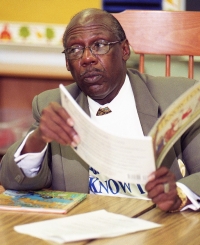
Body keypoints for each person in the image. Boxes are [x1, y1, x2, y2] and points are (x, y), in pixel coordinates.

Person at [1, 8, 200, 213]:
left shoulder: (178, 97)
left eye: (99, 45)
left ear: (124, 50)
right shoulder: (53, 105)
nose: (87, 58)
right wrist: (38, 138)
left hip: (161, 227)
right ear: (67, 63)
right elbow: (13, 181)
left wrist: (180, 193)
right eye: (75, 50)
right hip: (86, 227)